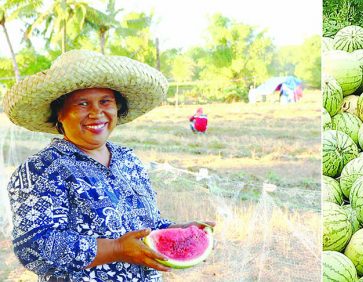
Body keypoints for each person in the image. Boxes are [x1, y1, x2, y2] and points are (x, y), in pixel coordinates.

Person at [2, 50, 215, 281]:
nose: (97, 112)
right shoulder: (42, 168)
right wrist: (115, 249)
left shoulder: (128, 160)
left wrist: (178, 231)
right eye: (82, 103)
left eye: (105, 101)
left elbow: (144, 226)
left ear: (117, 108)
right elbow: (33, 245)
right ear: (59, 114)